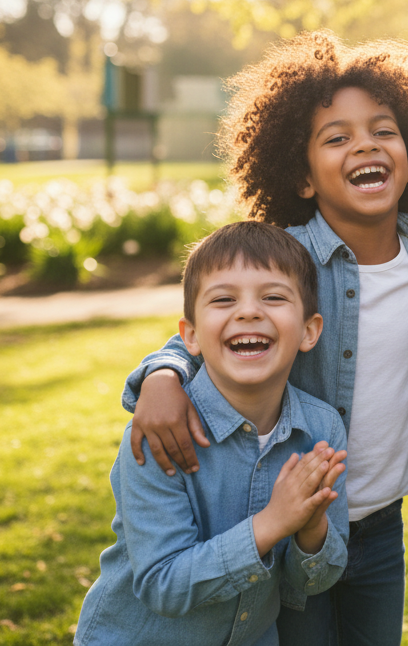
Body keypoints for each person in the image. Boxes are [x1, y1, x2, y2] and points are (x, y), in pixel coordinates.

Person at [119, 31, 408, 646]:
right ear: (302, 177)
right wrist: (162, 375)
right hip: (289, 516)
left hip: (380, 524)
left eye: (383, 130)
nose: (365, 145)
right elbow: (216, 323)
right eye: (337, 138)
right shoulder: (286, 258)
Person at [75, 221, 348, 646]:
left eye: (273, 297)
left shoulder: (322, 428)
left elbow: (313, 582)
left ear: (310, 331)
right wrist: (273, 523)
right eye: (224, 300)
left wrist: (310, 530)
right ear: (191, 336)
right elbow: (163, 584)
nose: (248, 312)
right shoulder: (160, 433)